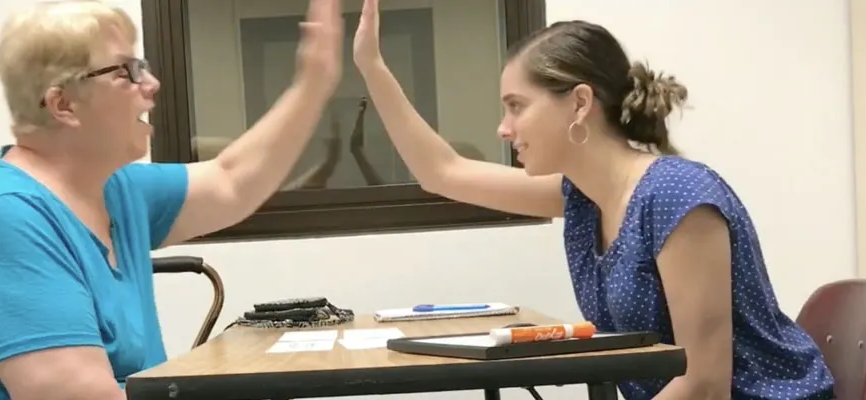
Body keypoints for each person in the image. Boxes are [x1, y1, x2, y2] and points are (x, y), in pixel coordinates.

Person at [350, 1, 835, 399]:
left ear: (580, 103)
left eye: (516, 106)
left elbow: (705, 384)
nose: (504, 129)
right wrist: (372, 68)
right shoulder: (584, 198)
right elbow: (443, 173)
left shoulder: (678, 197)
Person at [0, 0, 343, 399]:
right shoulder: (8, 218)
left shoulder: (114, 190)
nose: (151, 85)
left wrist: (312, 85)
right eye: (126, 71)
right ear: (63, 105)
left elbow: (232, 181)